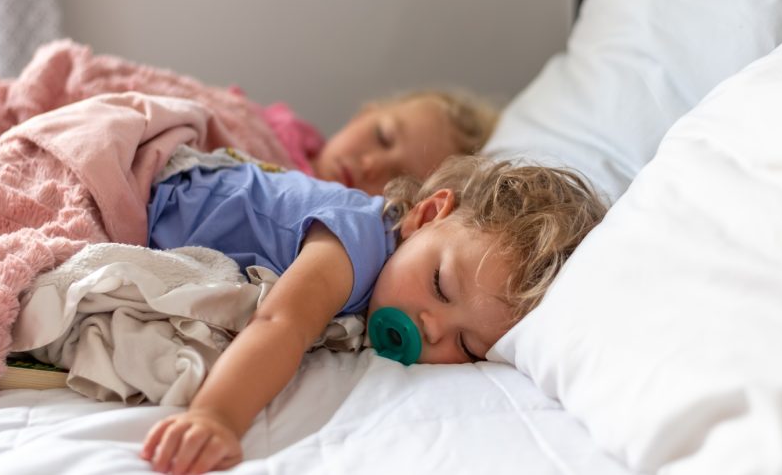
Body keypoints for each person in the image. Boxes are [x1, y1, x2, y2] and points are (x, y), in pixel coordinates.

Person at [139, 154, 607, 474]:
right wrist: (217, 417)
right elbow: (280, 325)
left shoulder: (398, 275)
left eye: (467, 346)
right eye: (440, 285)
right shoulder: (353, 246)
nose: (432, 328)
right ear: (425, 217)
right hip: (158, 195)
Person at [264, 88, 499, 195]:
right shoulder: (270, 129)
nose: (371, 165)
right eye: (383, 138)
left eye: (399, 178)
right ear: (364, 114)